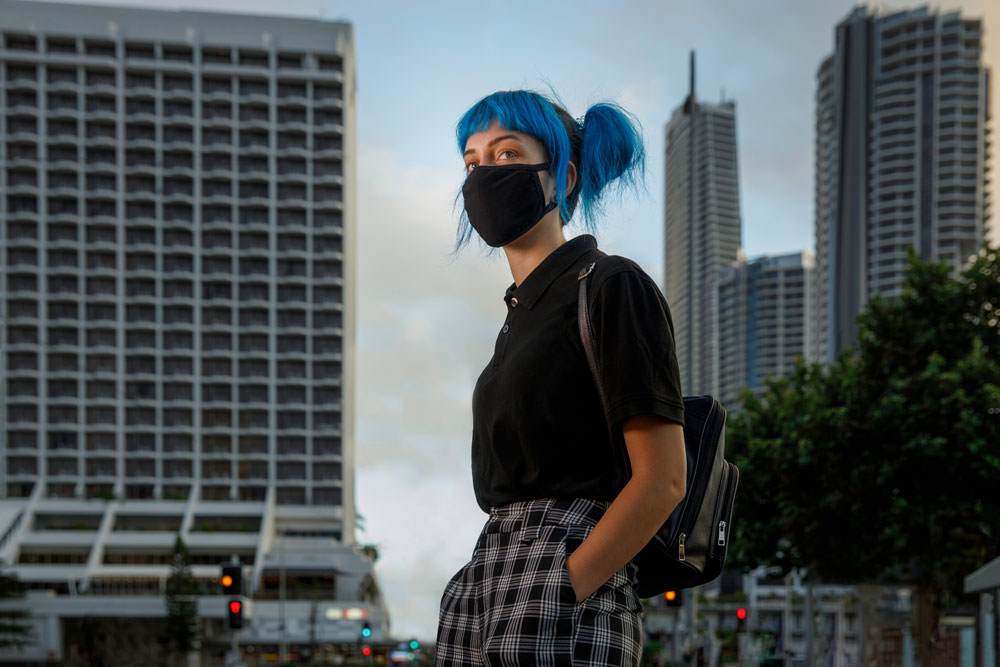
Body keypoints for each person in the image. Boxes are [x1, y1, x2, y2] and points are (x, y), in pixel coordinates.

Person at [435, 88, 687, 666]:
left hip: (565, 577)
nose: (482, 176)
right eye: (471, 162)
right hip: (492, 578)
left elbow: (663, 478)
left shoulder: (609, 286)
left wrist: (568, 583)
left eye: (506, 155)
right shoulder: (517, 318)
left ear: (564, 176)